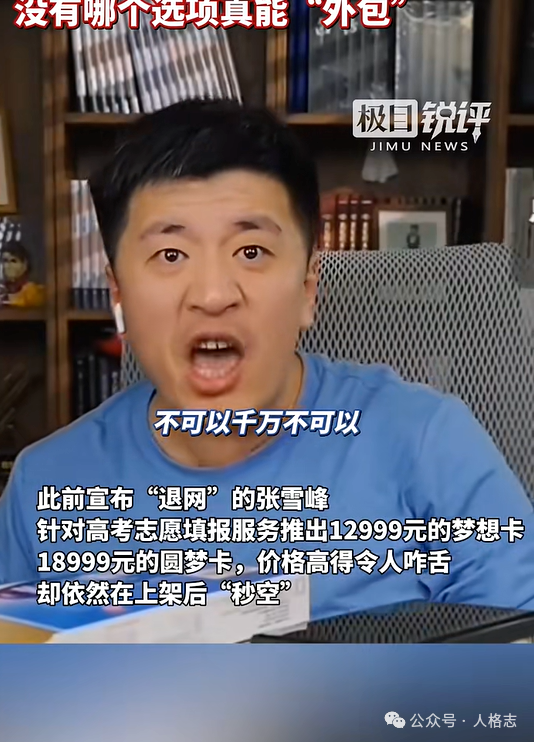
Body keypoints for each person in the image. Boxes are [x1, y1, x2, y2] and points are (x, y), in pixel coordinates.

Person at [1, 99, 533, 622]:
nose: (213, 294)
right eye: (171, 255)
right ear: (119, 295)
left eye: (251, 252)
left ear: (307, 289)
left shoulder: (425, 441)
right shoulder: (44, 486)